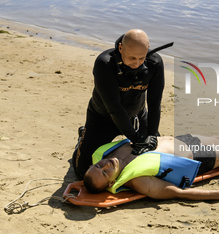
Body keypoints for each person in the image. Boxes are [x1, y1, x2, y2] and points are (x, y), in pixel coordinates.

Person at [84, 123, 219, 201]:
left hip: (181, 140)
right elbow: (177, 193)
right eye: (104, 173)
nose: (104, 166)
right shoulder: (137, 180)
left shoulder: (108, 154)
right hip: (196, 157)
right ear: (112, 184)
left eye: (97, 166)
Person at [73, 29, 173, 179]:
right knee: (81, 172)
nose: (137, 63)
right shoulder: (105, 63)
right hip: (103, 117)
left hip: (136, 115)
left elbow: (154, 103)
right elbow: (114, 108)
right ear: (121, 48)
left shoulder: (155, 62)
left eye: (141, 58)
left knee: (157, 163)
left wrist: (152, 135)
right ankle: (83, 136)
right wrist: (136, 138)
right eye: (132, 58)